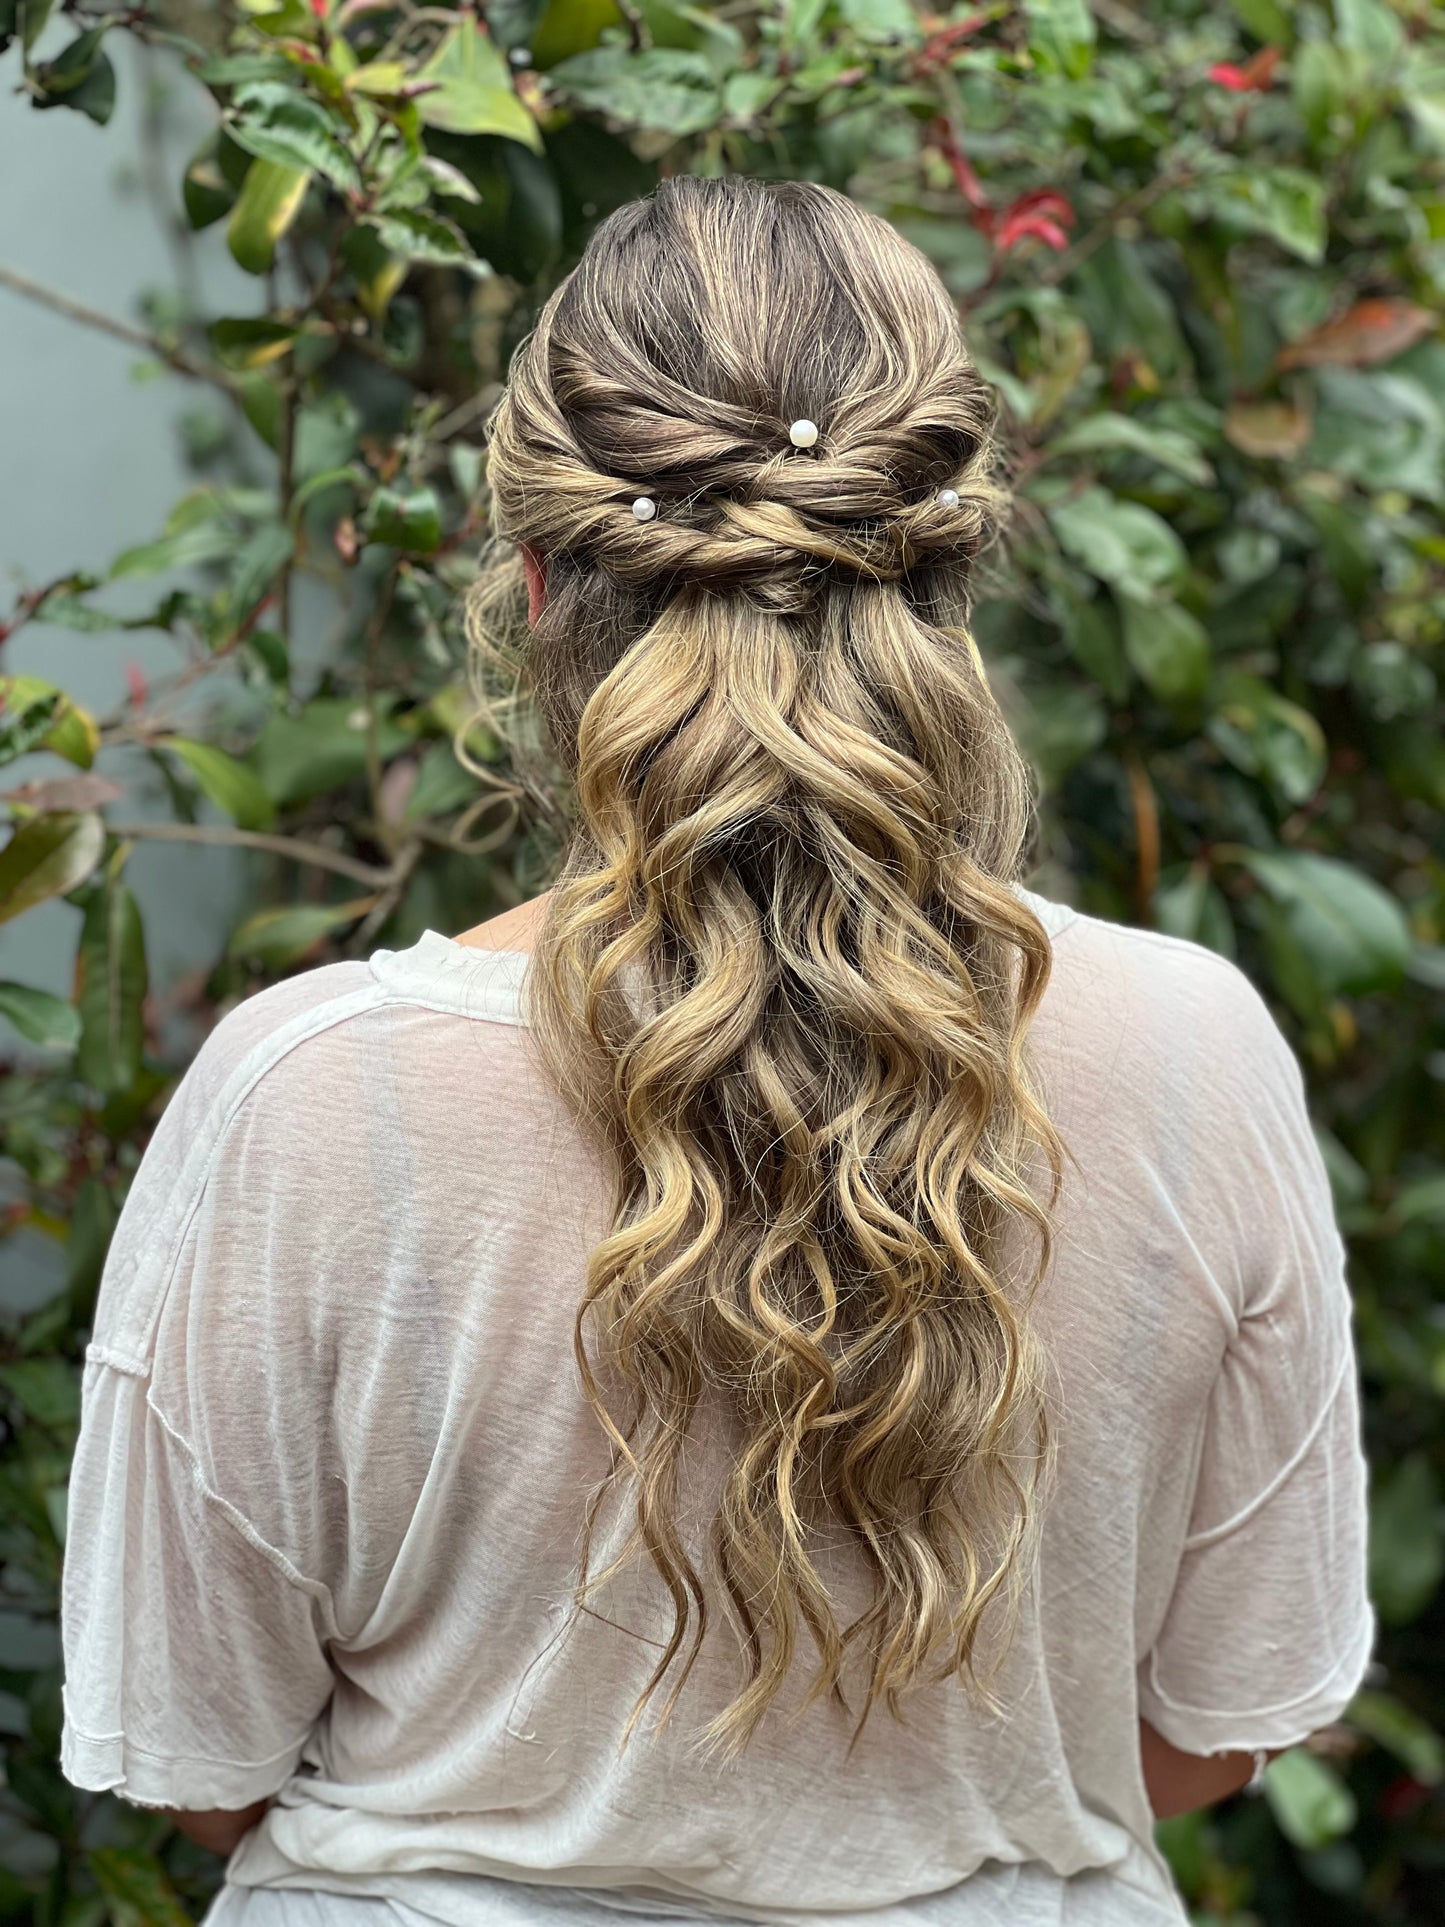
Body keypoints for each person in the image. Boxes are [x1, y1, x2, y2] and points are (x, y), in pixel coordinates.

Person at [58, 177, 1373, 1927]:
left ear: (532, 584)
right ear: (952, 568)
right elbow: (1218, 1727)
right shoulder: (1198, 1055)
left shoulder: (311, 1098)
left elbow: (200, 1760)